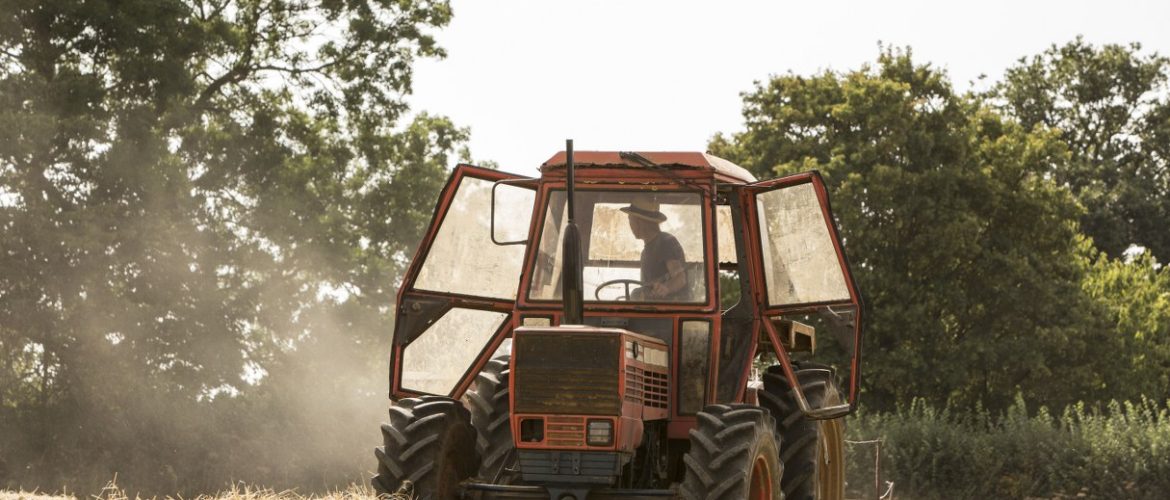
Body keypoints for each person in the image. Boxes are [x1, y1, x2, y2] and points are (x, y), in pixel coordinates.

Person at [621, 198, 689, 301]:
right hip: (652, 309)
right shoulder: (646, 252)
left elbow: (680, 278)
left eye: (630, 220)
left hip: (668, 311)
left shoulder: (666, 242)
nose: (630, 225)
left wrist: (666, 288)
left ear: (640, 222)